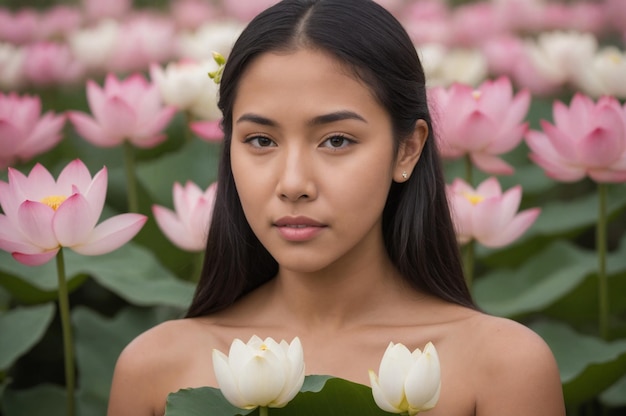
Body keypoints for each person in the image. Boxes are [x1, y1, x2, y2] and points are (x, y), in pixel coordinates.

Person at [107, 0, 566, 415]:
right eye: (260, 140)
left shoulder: (504, 368)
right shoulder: (154, 370)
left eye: (336, 140)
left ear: (407, 149)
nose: (293, 184)